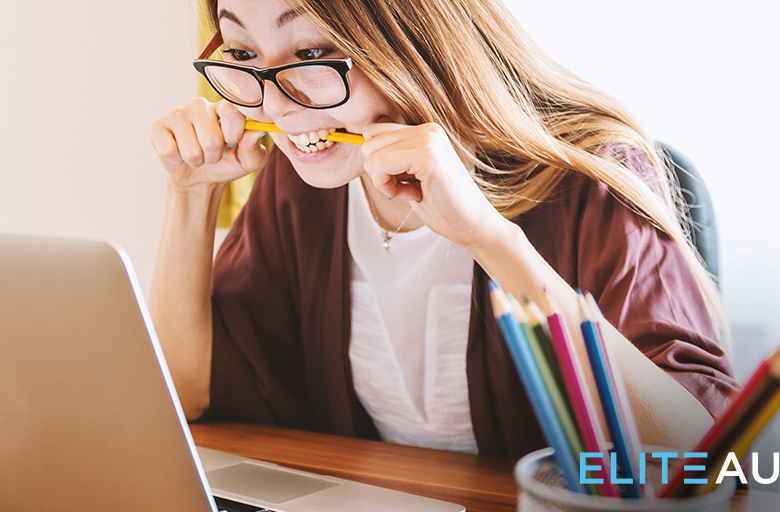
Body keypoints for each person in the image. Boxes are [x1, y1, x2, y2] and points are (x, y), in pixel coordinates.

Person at [149, 0, 737, 458]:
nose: (277, 106)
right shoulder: (302, 182)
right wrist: (191, 193)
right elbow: (187, 391)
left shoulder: (590, 176)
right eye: (246, 54)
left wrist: (489, 237)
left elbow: (699, 454)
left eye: (311, 52)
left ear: (413, 38)